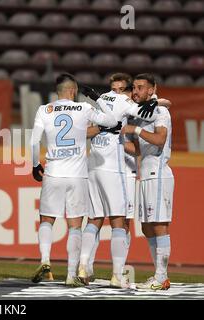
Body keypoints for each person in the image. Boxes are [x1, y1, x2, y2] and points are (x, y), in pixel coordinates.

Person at [30, 73, 117, 286]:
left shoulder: (44, 110)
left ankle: (45, 259)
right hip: (78, 175)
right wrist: (98, 99)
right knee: (75, 225)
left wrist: (34, 165)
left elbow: (33, 141)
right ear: (74, 90)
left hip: (53, 173)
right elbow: (113, 121)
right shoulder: (84, 109)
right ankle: (70, 275)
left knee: (47, 220)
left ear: (57, 91)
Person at [79, 73, 163, 288]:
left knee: (103, 220)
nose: (117, 93)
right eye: (114, 89)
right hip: (116, 169)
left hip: (116, 168)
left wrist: (119, 133)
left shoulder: (109, 104)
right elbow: (86, 132)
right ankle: (115, 272)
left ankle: (87, 265)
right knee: (116, 221)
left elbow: (137, 148)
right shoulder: (125, 105)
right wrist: (110, 130)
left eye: (121, 89)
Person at [122, 73, 174, 290]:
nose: (136, 91)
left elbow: (160, 139)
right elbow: (138, 148)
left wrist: (136, 130)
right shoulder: (142, 113)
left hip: (159, 174)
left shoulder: (161, 112)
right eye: (134, 87)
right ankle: (159, 275)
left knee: (159, 225)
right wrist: (119, 139)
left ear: (152, 89)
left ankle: (162, 277)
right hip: (146, 176)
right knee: (146, 227)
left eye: (141, 87)